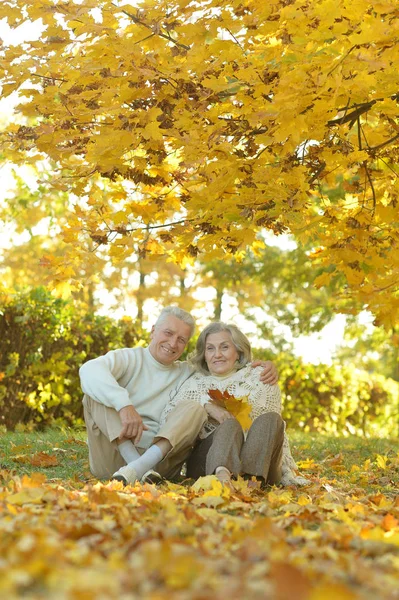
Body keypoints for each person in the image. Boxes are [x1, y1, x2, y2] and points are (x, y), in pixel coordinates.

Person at [80, 306, 278, 486]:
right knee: (93, 395)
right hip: (112, 458)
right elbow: (88, 371)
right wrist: (124, 406)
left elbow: (224, 366)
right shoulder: (127, 358)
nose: (173, 343)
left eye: (181, 339)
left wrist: (263, 365)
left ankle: (142, 466)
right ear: (153, 331)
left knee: (194, 406)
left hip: (161, 462)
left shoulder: (189, 372)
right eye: (168, 333)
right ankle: (137, 466)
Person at [160, 322, 309, 488]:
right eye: (210, 348)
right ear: (204, 354)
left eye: (224, 347)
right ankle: (223, 478)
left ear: (238, 352)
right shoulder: (193, 383)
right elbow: (170, 421)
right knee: (229, 424)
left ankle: (251, 482)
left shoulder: (260, 377)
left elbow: (274, 435)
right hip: (207, 463)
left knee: (272, 419)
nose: (217, 354)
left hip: (262, 465)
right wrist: (207, 407)